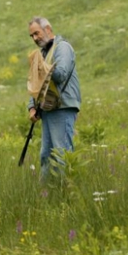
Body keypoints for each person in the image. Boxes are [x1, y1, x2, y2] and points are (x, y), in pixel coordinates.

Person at [26, 16, 81, 179]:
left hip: (63, 107)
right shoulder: (43, 53)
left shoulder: (62, 48)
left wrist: (43, 67)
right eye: (32, 36)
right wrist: (32, 106)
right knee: (46, 156)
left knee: (61, 155)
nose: (35, 38)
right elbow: (35, 84)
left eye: (37, 33)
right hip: (48, 108)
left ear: (48, 29)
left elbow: (61, 74)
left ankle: (66, 195)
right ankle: (47, 196)